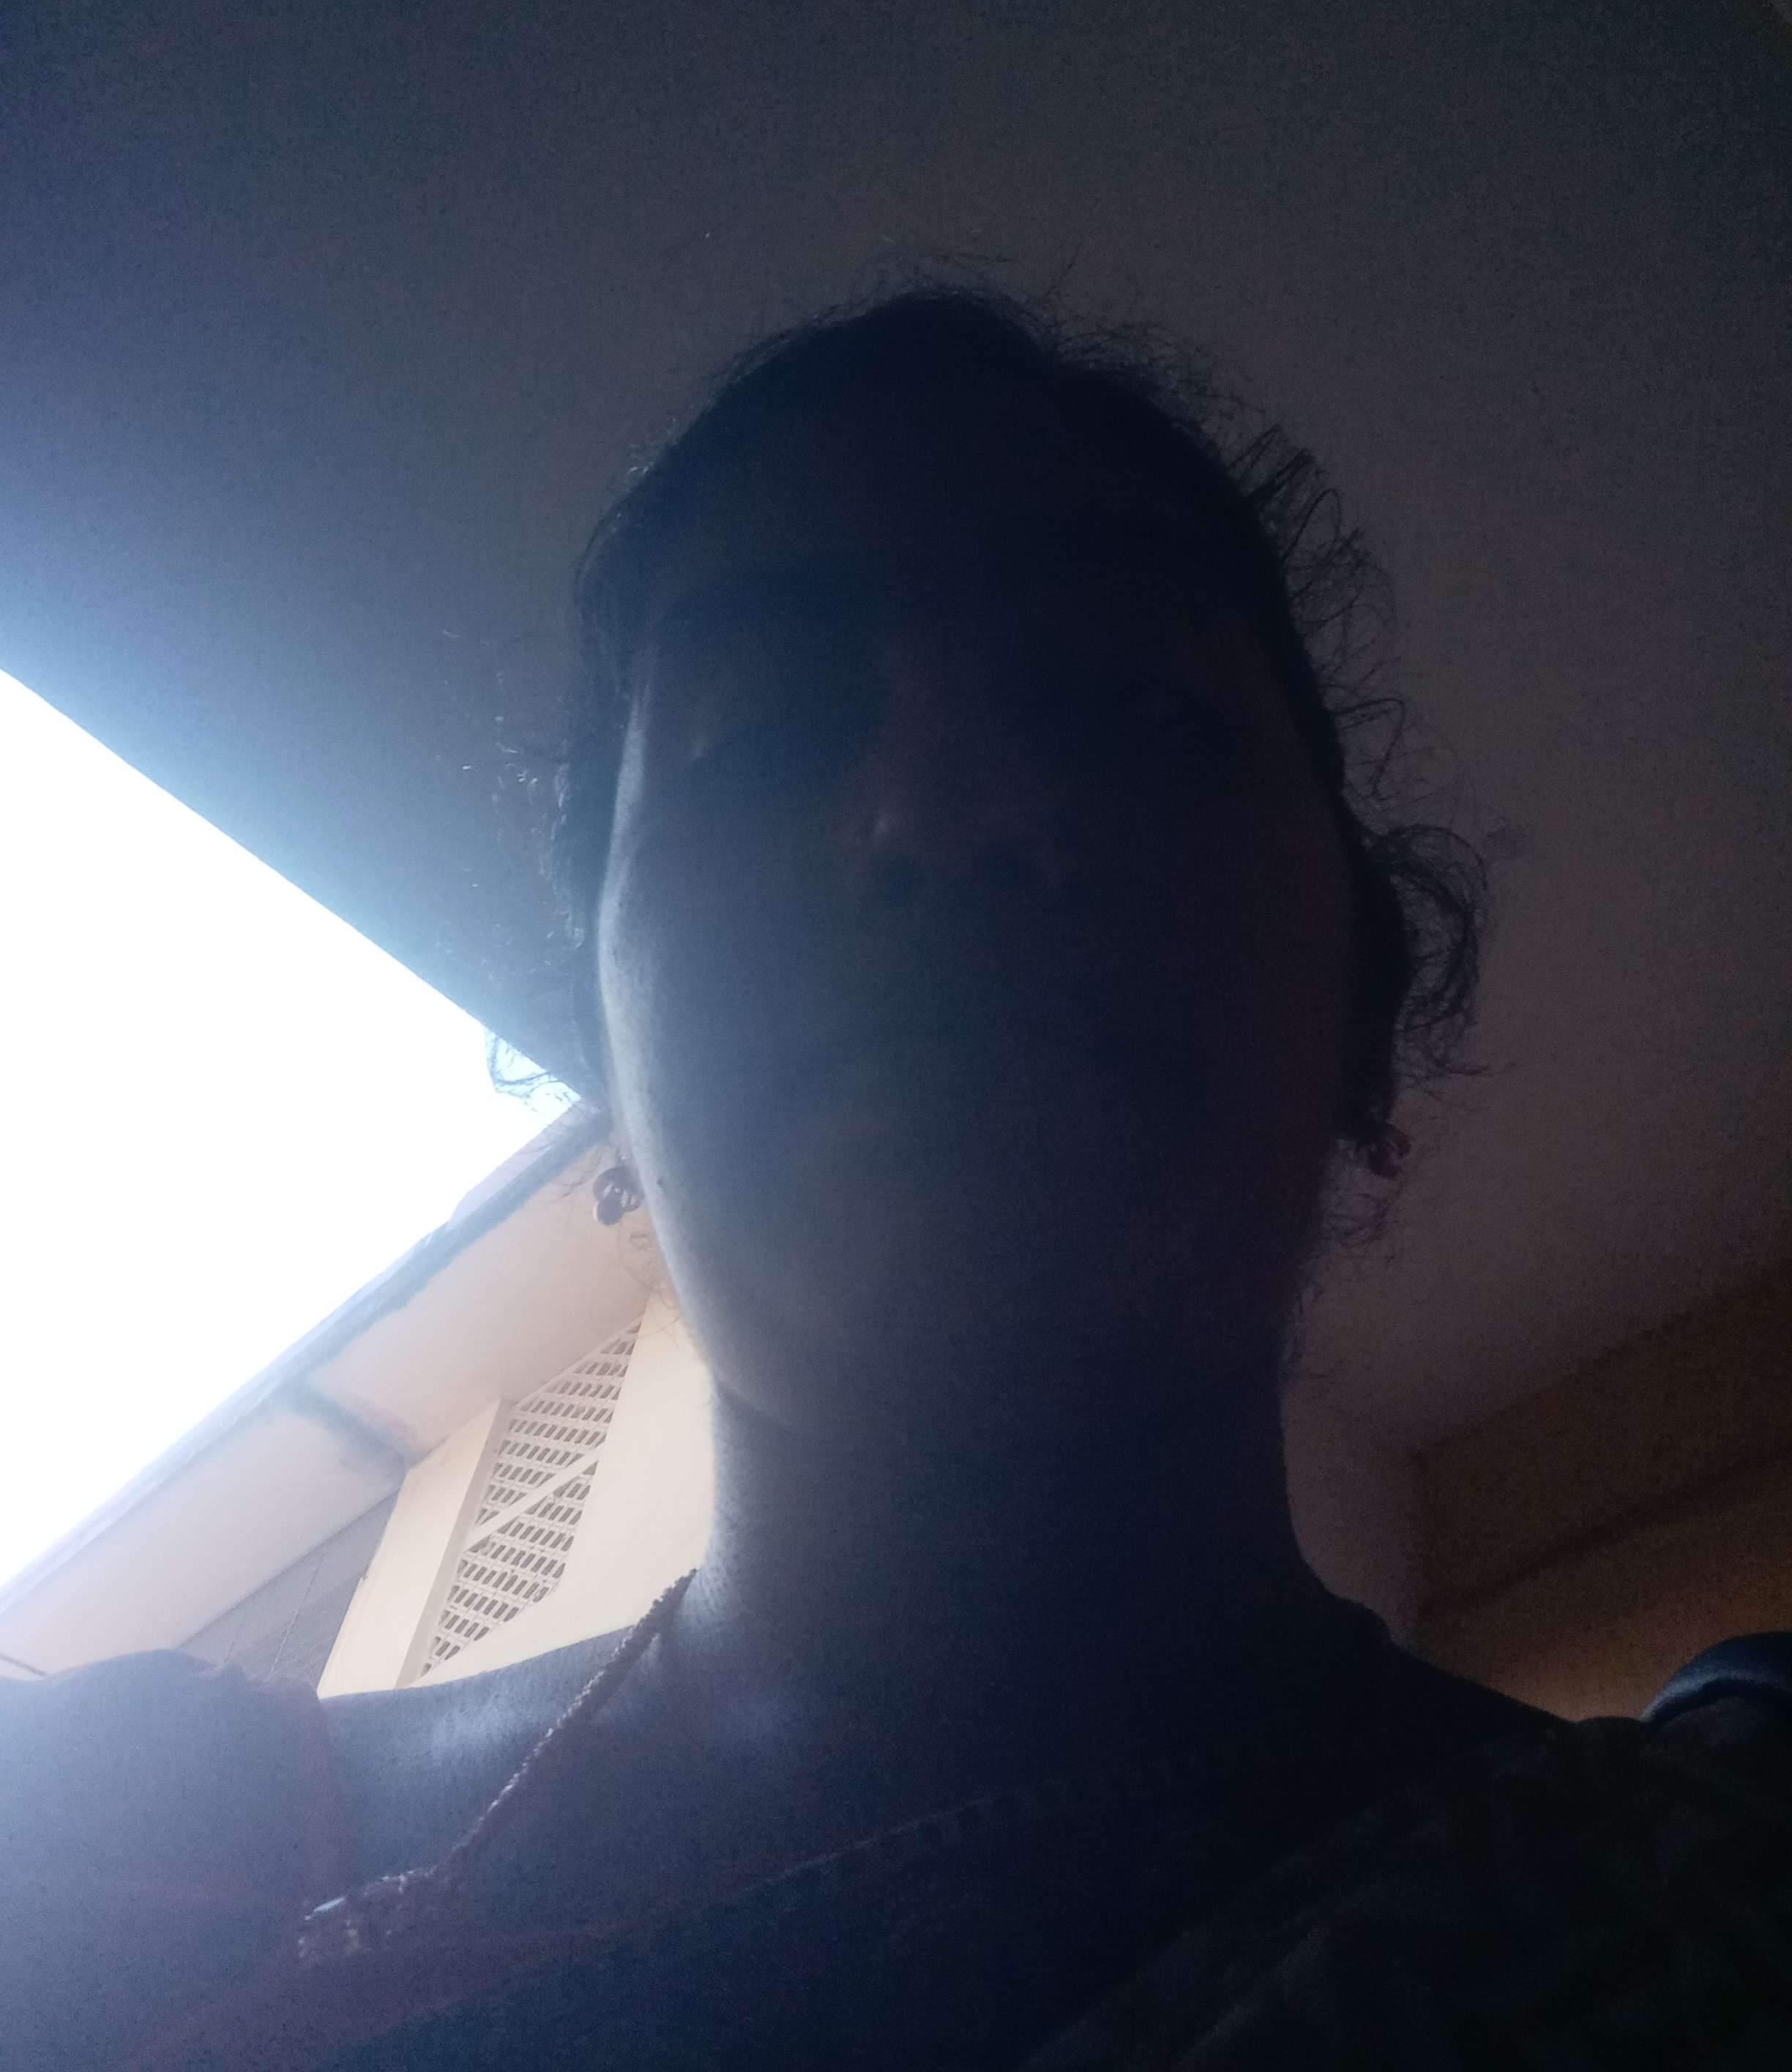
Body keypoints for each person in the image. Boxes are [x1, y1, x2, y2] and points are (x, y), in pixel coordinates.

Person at [7, 291, 1790, 2068]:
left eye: (1127, 702)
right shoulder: (93, 1849)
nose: (943, 809)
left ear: (1361, 1017)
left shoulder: (1721, 1884)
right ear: (608, 1074)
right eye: (762, 731)